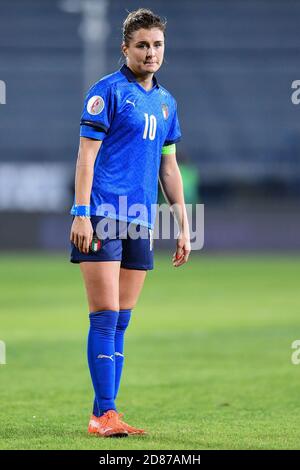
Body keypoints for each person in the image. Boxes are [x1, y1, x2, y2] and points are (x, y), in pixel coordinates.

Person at [70, 8, 191, 438]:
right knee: (103, 317)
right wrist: (81, 213)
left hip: (141, 218)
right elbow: (86, 157)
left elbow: (169, 168)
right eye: (142, 45)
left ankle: (106, 412)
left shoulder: (166, 102)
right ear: (125, 48)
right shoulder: (106, 92)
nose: (151, 52)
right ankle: (104, 414)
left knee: (122, 320)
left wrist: (182, 223)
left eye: (157, 45)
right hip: (103, 214)